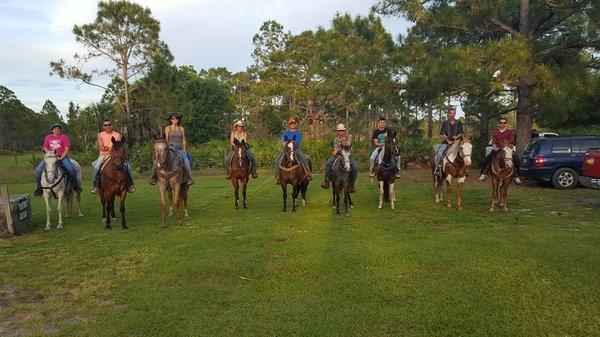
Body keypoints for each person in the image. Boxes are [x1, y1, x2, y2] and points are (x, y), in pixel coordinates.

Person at [90, 119, 136, 194]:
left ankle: (130, 184)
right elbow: (101, 146)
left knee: (128, 167)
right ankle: (95, 185)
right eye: (106, 125)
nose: (108, 126)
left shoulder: (117, 135)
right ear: (103, 127)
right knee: (96, 167)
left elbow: (118, 145)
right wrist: (105, 148)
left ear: (112, 125)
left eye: (109, 124)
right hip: (104, 155)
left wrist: (112, 149)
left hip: (116, 155)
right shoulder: (100, 135)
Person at [34, 124, 81, 196]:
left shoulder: (64, 137)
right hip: (50, 158)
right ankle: (39, 187)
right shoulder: (48, 137)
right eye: (55, 129)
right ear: (52, 130)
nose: (57, 130)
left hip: (62, 157)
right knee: (38, 170)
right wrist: (49, 154)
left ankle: (75, 185)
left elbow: (66, 148)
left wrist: (61, 157)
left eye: (58, 129)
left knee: (71, 169)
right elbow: (45, 147)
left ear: (60, 130)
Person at [149, 113, 194, 186]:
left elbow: (183, 140)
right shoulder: (168, 128)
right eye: (173, 118)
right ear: (171, 120)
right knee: (157, 160)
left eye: (176, 118)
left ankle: (189, 178)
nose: (175, 119)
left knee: (186, 160)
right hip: (170, 148)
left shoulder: (181, 128)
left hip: (179, 149)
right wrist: (165, 147)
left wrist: (184, 149)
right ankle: (153, 177)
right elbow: (166, 139)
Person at [479, 117, 522, 184]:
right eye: (501, 123)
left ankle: (517, 176)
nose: (503, 124)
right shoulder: (496, 133)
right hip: (498, 149)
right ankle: (483, 173)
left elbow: (512, 140)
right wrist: (495, 146)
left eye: (504, 123)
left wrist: (504, 145)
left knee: (517, 160)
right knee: (488, 158)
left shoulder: (510, 132)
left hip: (507, 149)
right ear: (499, 124)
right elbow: (494, 141)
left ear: (506, 124)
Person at [321, 123, 358, 192]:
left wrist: (337, 149)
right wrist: (335, 151)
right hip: (338, 156)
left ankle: (352, 184)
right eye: (339, 130)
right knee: (328, 164)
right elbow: (335, 148)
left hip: (347, 155)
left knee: (355, 167)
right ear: (337, 131)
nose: (341, 132)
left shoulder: (349, 137)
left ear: (345, 131)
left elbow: (347, 145)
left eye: (342, 130)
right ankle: (327, 181)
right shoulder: (335, 140)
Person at [275, 118, 313, 182]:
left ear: (295, 125)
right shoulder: (285, 133)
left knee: (304, 158)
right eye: (291, 124)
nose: (292, 125)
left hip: (296, 148)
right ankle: (278, 176)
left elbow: (297, 142)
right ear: (289, 125)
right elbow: (283, 141)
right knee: (276, 160)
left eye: (293, 124)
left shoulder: (298, 134)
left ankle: (308, 173)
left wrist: (291, 144)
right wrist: (286, 144)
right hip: (287, 149)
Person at [434, 107, 464, 174]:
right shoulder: (445, 123)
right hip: (446, 143)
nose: (452, 114)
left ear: (455, 114)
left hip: (456, 142)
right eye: (451, 113)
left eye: (454, 113)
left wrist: (456, 137)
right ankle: (437, 169)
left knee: (464, 153)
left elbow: (461, 133)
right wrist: (448, 141)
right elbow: (443, 134)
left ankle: (464, 169)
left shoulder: (459, 123)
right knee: (439, 154)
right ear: (449, 114)